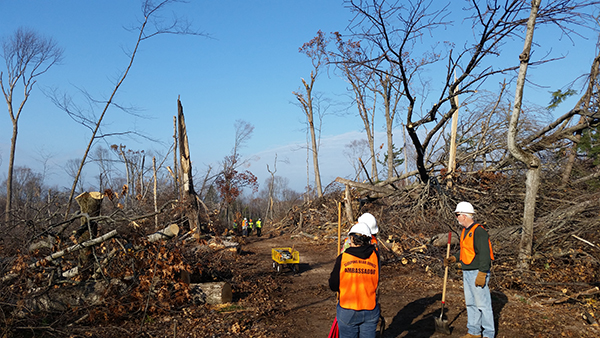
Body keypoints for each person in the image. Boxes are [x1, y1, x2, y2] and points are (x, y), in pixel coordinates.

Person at [444, 201, 495, 338]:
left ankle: (489, 334)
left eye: (458, 214)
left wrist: (483, 273)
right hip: (467, 271)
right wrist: (454, 258)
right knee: (471, 303)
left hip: (477, 272)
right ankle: (474, 332)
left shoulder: (479, 231)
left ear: (464, 216)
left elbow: (485, 253)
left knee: (483, 305)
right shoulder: (466, 231)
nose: (457, 217)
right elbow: (466, 250)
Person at [329, 222, 380, 338]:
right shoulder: (375, 256)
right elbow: (377, 279)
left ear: (351, 238)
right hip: (370, 309)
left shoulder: (343, 258)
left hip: (348, 310)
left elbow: (333, 285)